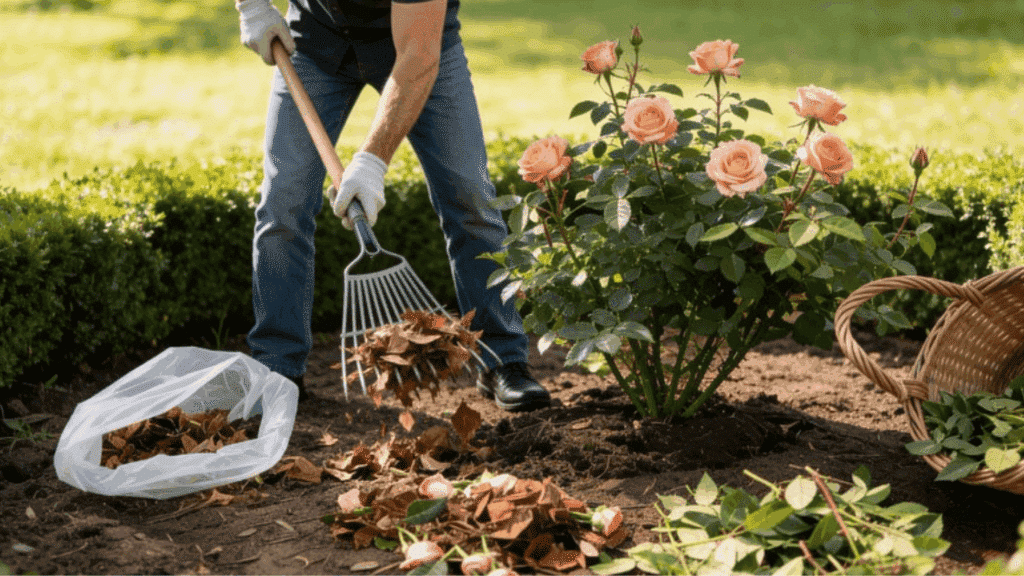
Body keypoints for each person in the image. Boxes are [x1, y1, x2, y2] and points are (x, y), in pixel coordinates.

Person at [235, 0, 551, 411]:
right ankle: (277, 368)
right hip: (315, 43)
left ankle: (502, 359)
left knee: (469, 196)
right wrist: (252, 4)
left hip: (417, 45)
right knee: (283, 203)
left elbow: (418, 56)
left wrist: (370, 162)